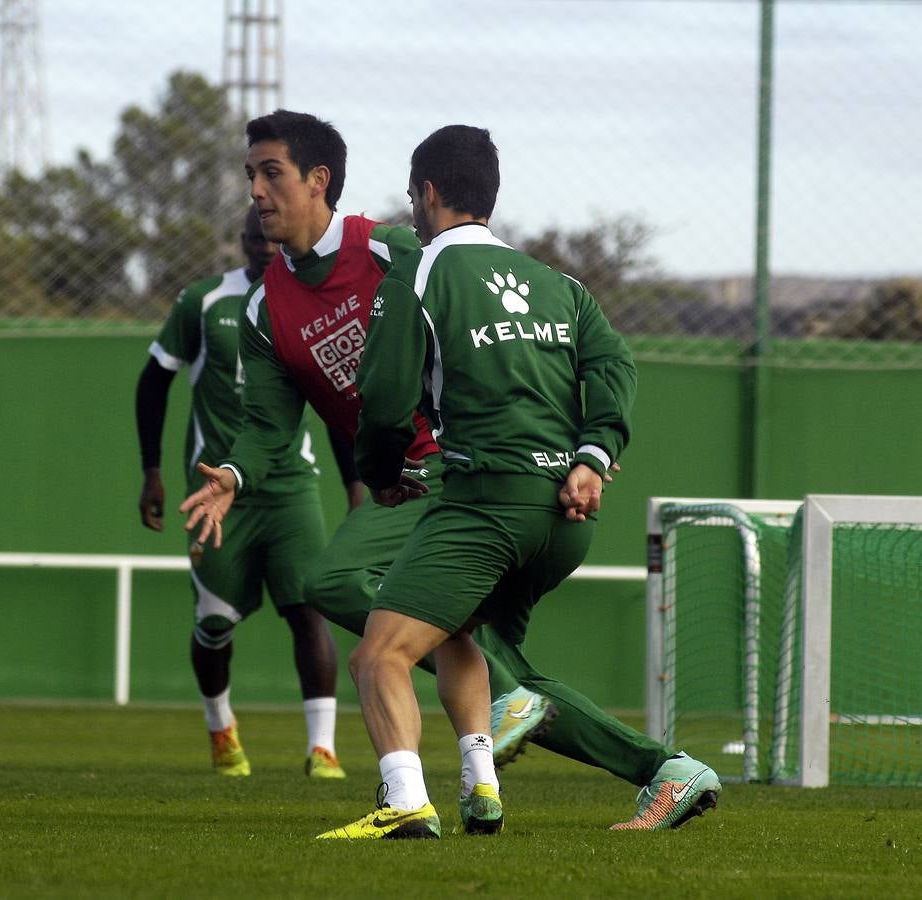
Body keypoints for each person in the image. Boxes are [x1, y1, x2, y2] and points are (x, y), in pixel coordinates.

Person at [179, 110, 720, 834]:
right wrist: (236, 476)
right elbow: (266, 428)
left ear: (320, 180)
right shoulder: (264, 310)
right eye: (249, 175)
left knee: (337, 584)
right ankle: (646, 771)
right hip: (524, 493)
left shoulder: (404, 256)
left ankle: (415, 792)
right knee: (482, 653)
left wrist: (381, 470)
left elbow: (391, 393)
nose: (255, 190)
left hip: (448, 480)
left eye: (269, 172)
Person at [135, 203, 347, 779]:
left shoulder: (311, 302)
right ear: (243, 241)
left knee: (309, 608)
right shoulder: (204, 302)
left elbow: (334, 397)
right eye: (254, 237)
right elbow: (154, 380)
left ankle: (322, 747)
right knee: (214, 624)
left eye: (271, 238)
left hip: (291, 486)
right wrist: (151, 470)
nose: (265, 246)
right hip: (216, 490)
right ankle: (221, 728)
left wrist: (357, 487)